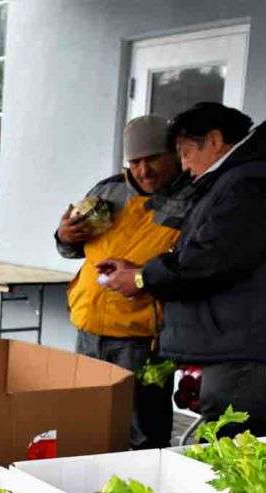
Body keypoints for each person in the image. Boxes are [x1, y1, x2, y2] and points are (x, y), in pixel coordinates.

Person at [100, 102, 266, 437]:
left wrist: (140, 277)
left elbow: (211, 260)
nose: (185, 165)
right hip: (243, 341)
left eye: (186, 152)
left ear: (215, 140)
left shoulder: (251, 183)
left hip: (248, 347)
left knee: (234, 454)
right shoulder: (249, 175)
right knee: (232, 449)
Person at [56, 115, 182, 449]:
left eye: (154, 159)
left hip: (143, 340)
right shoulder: (107, 190)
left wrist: (141, 274)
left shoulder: (191, 201)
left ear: (175, 154)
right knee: (87, 423)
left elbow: (196, 268)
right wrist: (64, 236)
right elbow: (72, 249)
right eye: (136, 162)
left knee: (142, 433)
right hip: (89, 328)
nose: (144, 170)